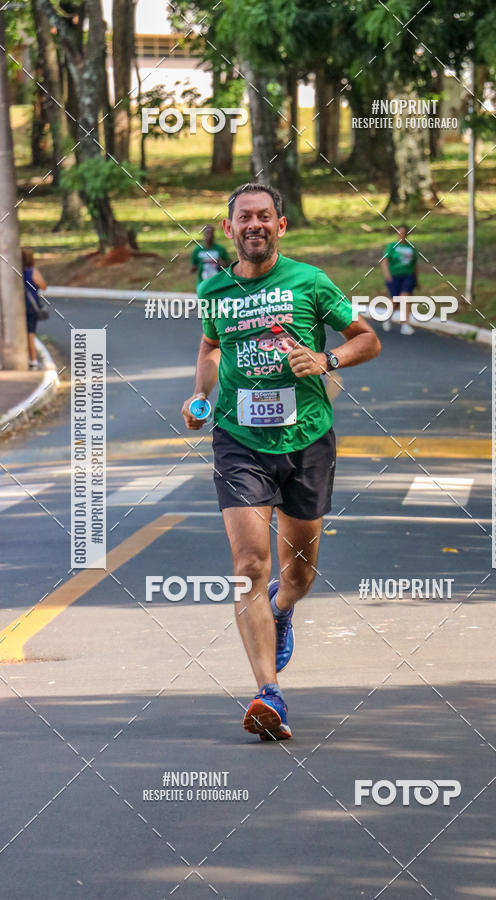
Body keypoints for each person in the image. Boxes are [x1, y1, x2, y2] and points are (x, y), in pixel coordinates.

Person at [181, 183, 380, 741]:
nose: (254, 225)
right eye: (244, 217)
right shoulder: (215, 291)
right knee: (249, 566)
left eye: (264, 216)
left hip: (307, 439)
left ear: (281, 225)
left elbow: (367, 339)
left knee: (298, 574)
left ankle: (284, 608)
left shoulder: (310, 281)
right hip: (239, 439)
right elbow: (210, 346)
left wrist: (325, 358)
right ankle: (268, 693)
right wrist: (201, 397)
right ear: (229, 230)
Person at [381, 225, 418, 334]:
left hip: (408, 275)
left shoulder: (411, 248)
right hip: (394, 276)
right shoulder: (392, 246)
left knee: (405, 298)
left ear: (407, 234)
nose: (401, 235)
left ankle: (405, 325)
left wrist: (416, 279)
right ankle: (387, 318)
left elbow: (415, 265)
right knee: (395, 300)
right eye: (399, 233)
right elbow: (384, 261)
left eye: (404, 233)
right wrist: (387, 275)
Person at [22, 247, 48, 369]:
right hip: (31, 306)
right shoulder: (33, 272)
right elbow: (43, 286)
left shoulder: (15, 271)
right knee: (30, 333)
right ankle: (33, 360)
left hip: (18, 306)